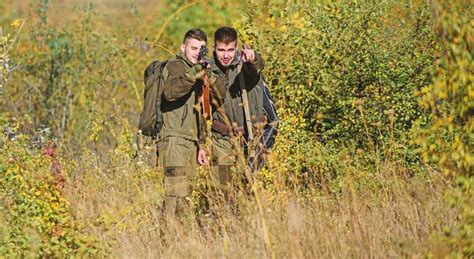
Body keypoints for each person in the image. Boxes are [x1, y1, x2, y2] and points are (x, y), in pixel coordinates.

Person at [157, 28, 224, 219]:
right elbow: (170, 93)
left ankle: (181, 237)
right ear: (183, 47)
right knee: (175, 195)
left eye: (201, 49)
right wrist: (195, 71)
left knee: (187, 195)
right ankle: (167, 240)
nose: (196, 53)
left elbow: (205, 108)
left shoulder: (199, 71)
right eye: (193, 48)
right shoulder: (176, 66)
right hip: (174, 139)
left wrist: (201, 145)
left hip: (191, 142)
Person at [209, 26, 266, 198]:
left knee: (250, 192)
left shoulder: (245, 66)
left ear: (237, 48)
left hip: (250, 138)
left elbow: (257, 67)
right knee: (222, 193)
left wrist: (253, 58)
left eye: (230, 50)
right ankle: (224, 224)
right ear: (214, 48)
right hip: (222, 140)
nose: (225, 55)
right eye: (221, 50)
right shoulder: (207, 69)